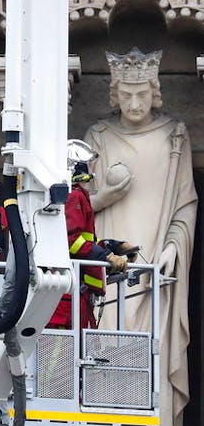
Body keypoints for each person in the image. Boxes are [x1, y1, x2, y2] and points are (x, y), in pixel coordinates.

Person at [83, 47, 196, 426]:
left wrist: (173, 247)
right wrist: (106, 195)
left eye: (142, 95)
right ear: (115, 93)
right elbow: (78, 208)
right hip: (112, 270)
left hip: (156, 271)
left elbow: (185, 203)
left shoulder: (175, 136)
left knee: (155, 356)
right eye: (126, 95)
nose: (133, 104)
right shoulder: (98, 135)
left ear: (155, 92)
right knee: (111, 355)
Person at [46, 140, 129, 330]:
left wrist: (114, 246)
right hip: (69, 291)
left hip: (77, 292)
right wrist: (106, 256)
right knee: (63, 351)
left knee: (86, 344)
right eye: (89, 165)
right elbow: (71, 241)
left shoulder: (75, 196)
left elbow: (85, 241)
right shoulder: (73, 197)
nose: (92, 172)